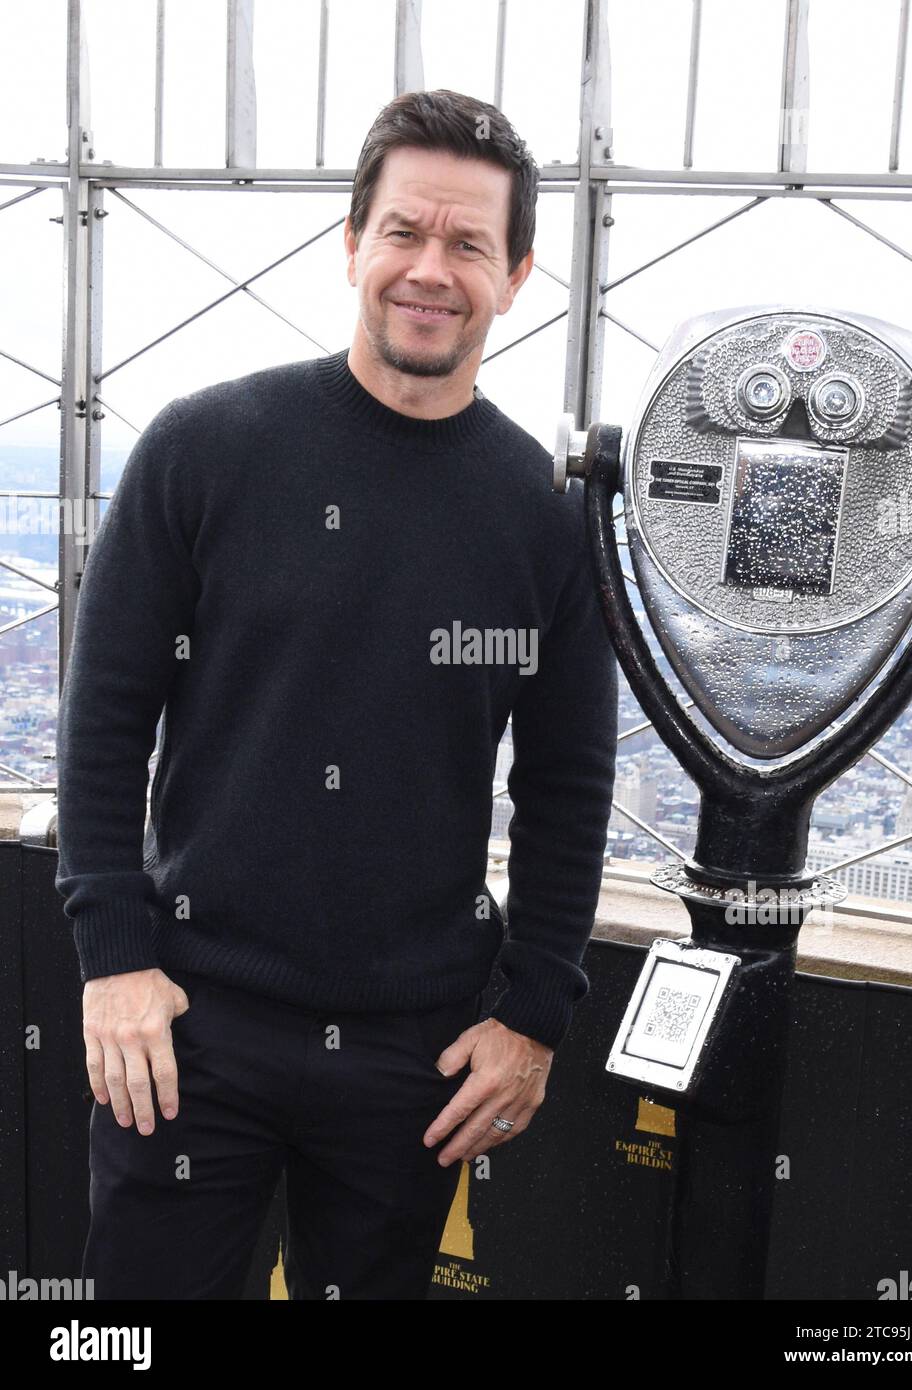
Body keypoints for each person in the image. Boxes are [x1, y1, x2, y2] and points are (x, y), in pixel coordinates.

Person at [54, 87, 618, 1301]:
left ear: (517, 275)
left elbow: (571, 785)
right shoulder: (205, 449)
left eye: (469, 243)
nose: (432, 268)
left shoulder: (541, 516)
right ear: (350, 245)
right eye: (405, 232)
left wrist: (534, 1013)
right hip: (188, 1021)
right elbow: (103, 716)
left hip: (419, 1052)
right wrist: (111, 958)